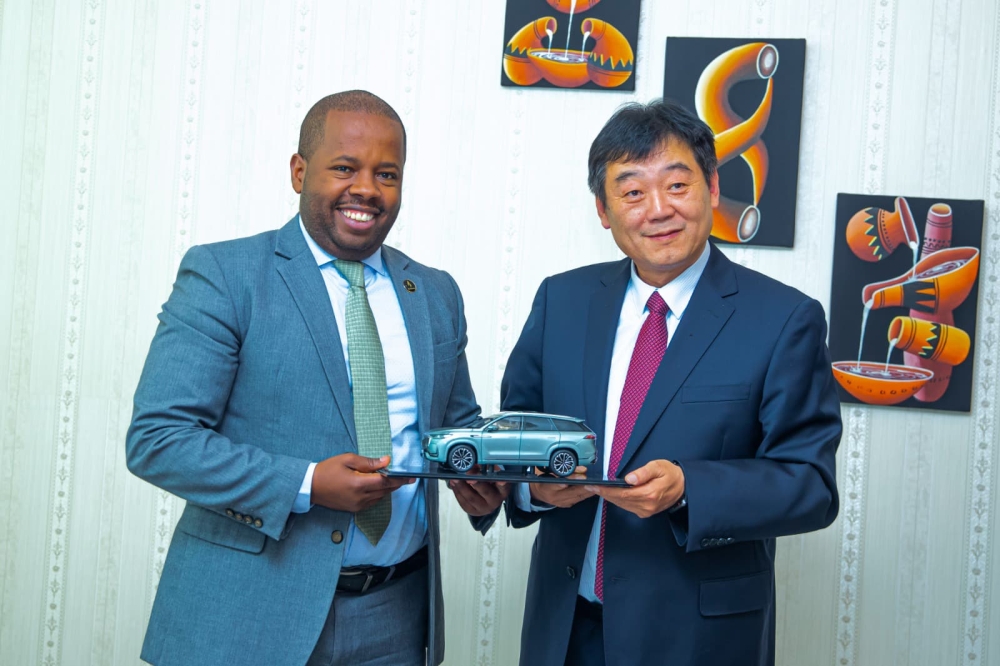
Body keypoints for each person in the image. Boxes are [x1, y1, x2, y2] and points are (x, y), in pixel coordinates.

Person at [126, 90, 508, 666]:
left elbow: (457, 427)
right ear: (299, 172)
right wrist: (306, 483)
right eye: (345, 168)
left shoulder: (434, 292)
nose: (366, 189)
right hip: (246, 613)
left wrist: (486, 485)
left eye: (386, 174)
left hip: (396, 617)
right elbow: (159, 440)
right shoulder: (227, 275)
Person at [497, 99, 842, 666]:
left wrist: (688, 488)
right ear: (604, 210)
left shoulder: (784, 319)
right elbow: (516, 436)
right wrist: (532, 490)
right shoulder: (562, 300)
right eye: (633, 192)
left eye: (677, 185)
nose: (658, 209)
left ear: (712, 187)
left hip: (698, 640)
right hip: (564, 631)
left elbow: (810, 485)